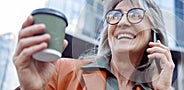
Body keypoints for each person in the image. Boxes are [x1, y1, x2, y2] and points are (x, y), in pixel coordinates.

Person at [13, 0, 175, 90]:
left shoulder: (158, 88)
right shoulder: (61, 71)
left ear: (153, 33)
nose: (122, 22)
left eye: (135, 15)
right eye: (115, 15)